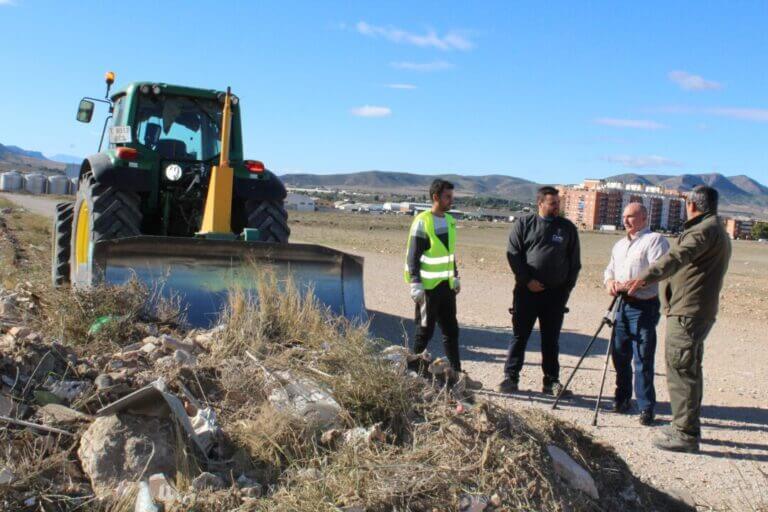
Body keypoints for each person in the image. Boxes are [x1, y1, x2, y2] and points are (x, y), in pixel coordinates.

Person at [624, 185, 731, 453]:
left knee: (681, 369)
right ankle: (685, 426)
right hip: (693, 311)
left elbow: (676, 257)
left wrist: (644, 277)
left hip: (688, 311)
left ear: (693, 205)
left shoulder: (704, 230)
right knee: (689, 369)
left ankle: (685, 433)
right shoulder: (713, 228)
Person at [498, 186, 581, 395]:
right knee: (519, 336)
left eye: (558, 204)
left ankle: (551, 381)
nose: (556, 207)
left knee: (551, 339)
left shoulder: (567, 228)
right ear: (540, 203)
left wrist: (565, 291)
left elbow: (574, 263)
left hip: (555, 296)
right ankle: (510, 377)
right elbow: (513, 254)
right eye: (552, 204)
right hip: (526, 292)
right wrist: (527, 281)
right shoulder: (524, 224)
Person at [404, 179, 481, 389]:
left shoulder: (449, 220)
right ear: (436, 197)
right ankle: (413, 373)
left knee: (451, 331)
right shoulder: (423, 221)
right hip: (427, 288)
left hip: (446, 287)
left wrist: (455, 275)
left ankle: (457, 375)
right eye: (448, 197)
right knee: (424, 331)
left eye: (452, 197)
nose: (451, 201)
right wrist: (415, 282)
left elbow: (449, 254)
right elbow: (413, 255)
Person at [604, 202, 670, 425]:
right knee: (619, 354)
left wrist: (638, 283)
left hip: (643, 306)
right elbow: (610, 269)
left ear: (644, 218)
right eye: (624, 216)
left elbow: (658, 270)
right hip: (621, 304)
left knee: (642, 357)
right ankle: (622, 399)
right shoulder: (620, 244)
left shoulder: (655, 240)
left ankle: (646, 407)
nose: (626, 220)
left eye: (631, 216)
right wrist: (610, 282)